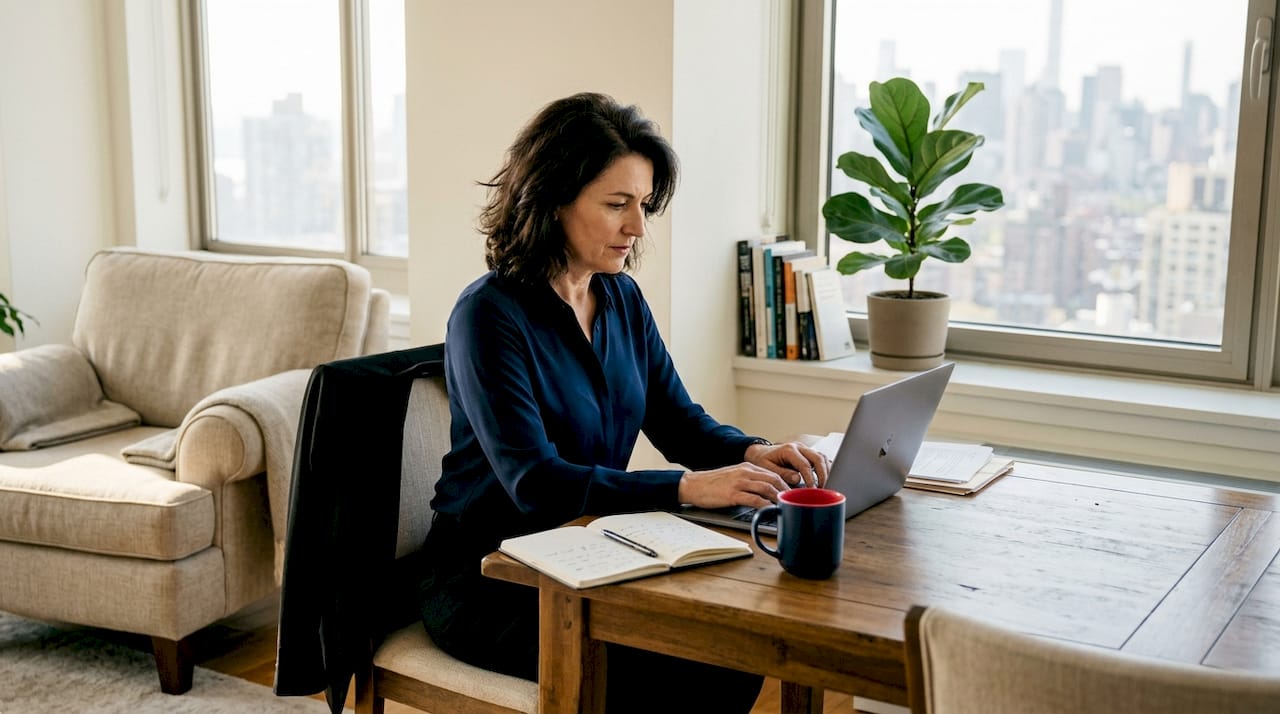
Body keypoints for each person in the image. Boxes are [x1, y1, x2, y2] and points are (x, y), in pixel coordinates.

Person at [418, 91, 829, 713]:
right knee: (689, 671)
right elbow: (535, 483)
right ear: (553, 201)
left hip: (589, 548)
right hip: (490, 574)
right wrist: (689, 489)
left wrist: (757, 452)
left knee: (732, 648)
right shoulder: (487, 315)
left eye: (643, 205)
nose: (637, 227)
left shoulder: (620, 298)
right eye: (617, 205)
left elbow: (677, 419)